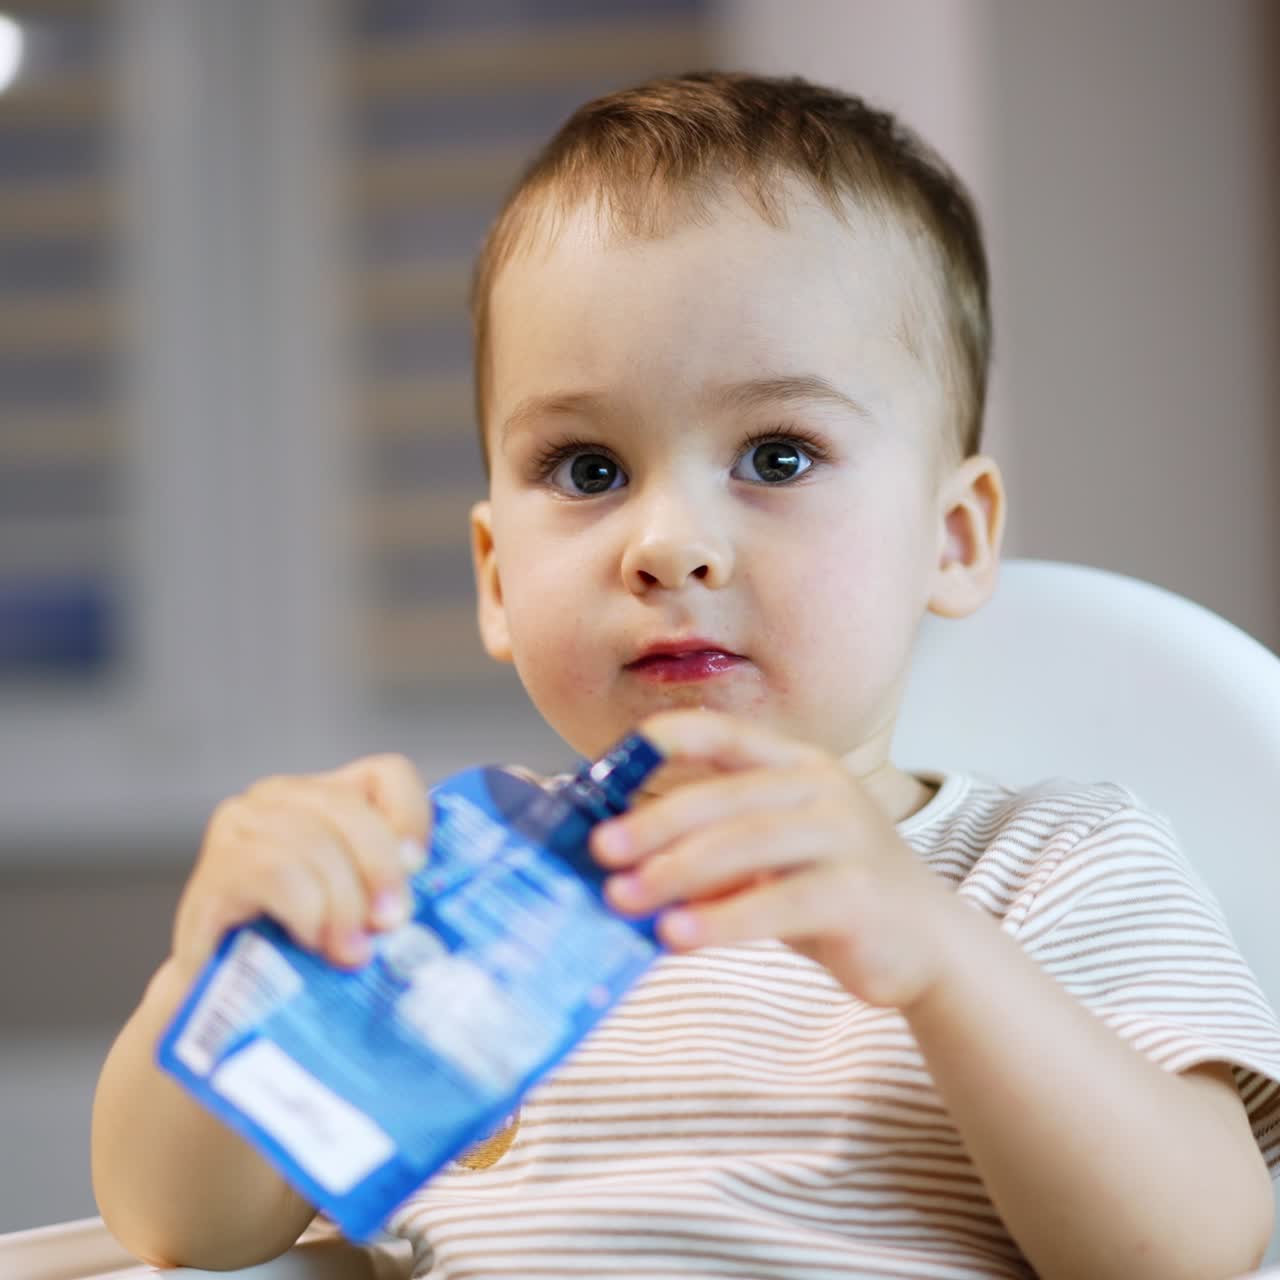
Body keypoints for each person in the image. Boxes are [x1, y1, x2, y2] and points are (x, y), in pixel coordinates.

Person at [92, 71, 1280, 1279]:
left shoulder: (1047, 866)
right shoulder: (448, 894)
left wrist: (931, 949)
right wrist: (226, 967)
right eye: (587, 468)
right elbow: (181, 1228)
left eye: (777, 453)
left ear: (952, 537)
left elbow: (1193, 1245)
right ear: (497, 576)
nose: (666, 543)